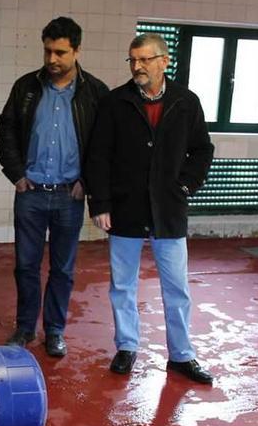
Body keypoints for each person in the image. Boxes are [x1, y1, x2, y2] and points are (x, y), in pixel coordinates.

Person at [84, 33, 215, 383]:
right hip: (125, 209)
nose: (137, 66)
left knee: (177, 288)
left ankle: (182, 355)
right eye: (132, 60)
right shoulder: (115, 103)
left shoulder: (186, 102)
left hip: (168, 211)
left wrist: (185, 184)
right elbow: (97, 156)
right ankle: (127, 347)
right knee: (122, 285)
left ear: (164, 61)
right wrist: (100, 202)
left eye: (144, 60)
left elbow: (202, 150)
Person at [0, 17, 108, 357]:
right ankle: (26, 327)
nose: (52, 60)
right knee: (26, 265)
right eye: (47, 51)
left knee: (62, 269)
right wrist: (16, 173)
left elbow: (104, 145)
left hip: (68, 197)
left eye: (60, 52)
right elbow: (7, 130)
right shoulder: (26, 87)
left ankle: (55, 331)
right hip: (30, 193)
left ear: (77, 50)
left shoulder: (95, 92)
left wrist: (87, 183)